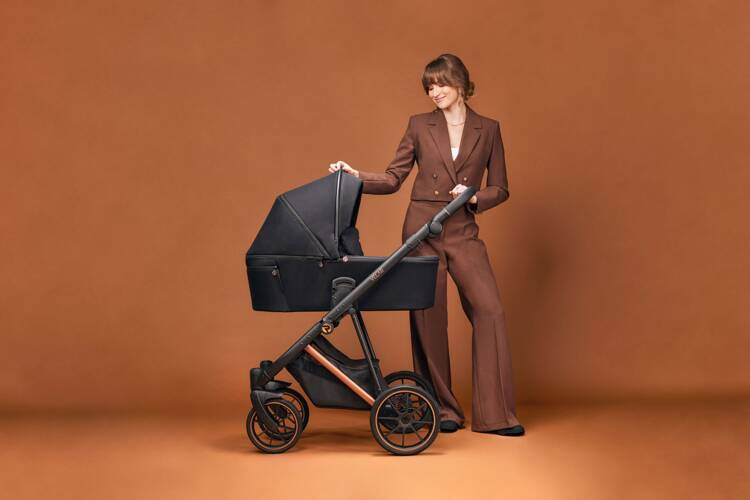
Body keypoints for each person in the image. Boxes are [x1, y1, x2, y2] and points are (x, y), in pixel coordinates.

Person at [328, 54, 524, 436]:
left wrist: (473, 197)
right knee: (429, 319)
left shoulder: (489, 129)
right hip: (422, 231)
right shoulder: (419, 125)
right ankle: (443, 409)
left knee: (490, 311)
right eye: (429, 86)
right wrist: (355, 176)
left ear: (460, 83)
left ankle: (496, 415)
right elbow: (393, 178)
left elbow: (500, 187)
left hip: (462, 229)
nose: (434, 92)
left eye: (440, 84)